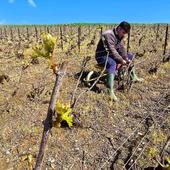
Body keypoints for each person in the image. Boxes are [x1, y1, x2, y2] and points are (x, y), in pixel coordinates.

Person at [95, 21, 143, 101]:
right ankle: (109, 90)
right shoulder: (109, 34)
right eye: (123, 32)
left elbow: (121, 48)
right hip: (102, 56)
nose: (124, 35)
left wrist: (125, 58)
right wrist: (121, 60)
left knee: (130, 55)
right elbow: (112, 50)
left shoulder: (119, 35)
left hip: (111, 55)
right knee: (112, 63)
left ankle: (133, 77)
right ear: (119, 28)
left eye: (125, 33)